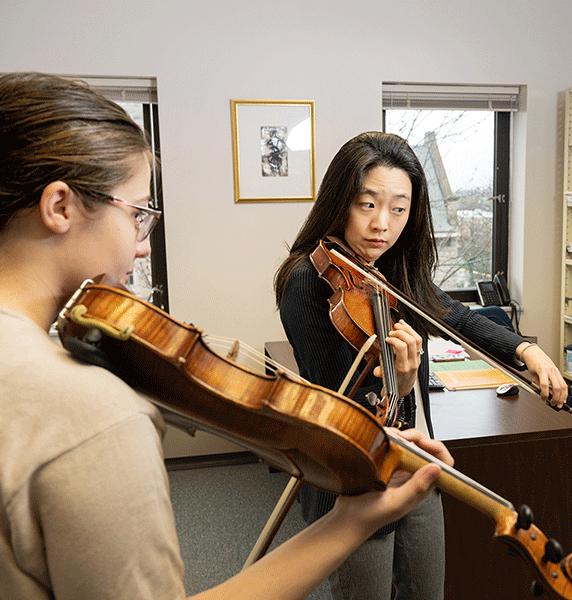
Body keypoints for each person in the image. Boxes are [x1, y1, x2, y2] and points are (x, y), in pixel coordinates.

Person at [0, 73, 455, 600]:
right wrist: (348, 522)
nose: (143, 247)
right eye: (139, 215)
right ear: (59, 208)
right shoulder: (95, 415)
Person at [274, 131, 567, 600]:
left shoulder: (393, 270)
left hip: (417, 463)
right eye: (367, 204)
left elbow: (453, 313)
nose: (381, 226)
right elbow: (341, 409)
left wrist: (524, 351)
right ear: (338, 201)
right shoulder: (308, 282)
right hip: (354, 480)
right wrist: (402, 384)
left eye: (398, 209)